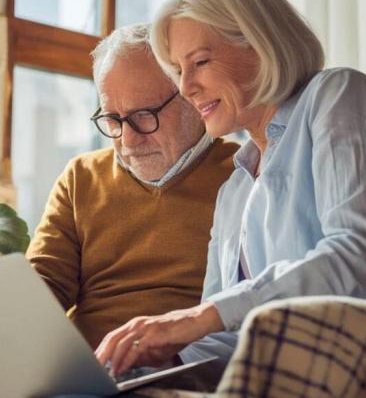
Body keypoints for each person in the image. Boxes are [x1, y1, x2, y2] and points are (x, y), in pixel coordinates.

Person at [95, 0, 366, 377]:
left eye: (200, 62)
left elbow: (357, 254)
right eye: (178, 70)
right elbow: (228, 332)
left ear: (262, 45)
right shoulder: (234, 190)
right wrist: (150, 366)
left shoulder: (337, 95)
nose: (187, 87)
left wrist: (199, 318)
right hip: (299, 357)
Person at [25, 23, 239, 348]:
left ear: (190, 98)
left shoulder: (243, 173)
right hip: (84, 366)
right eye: (113, 119)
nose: (128, 139)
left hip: (180, 369)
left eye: (143, 115)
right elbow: (44, 282)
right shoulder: (81, 176)